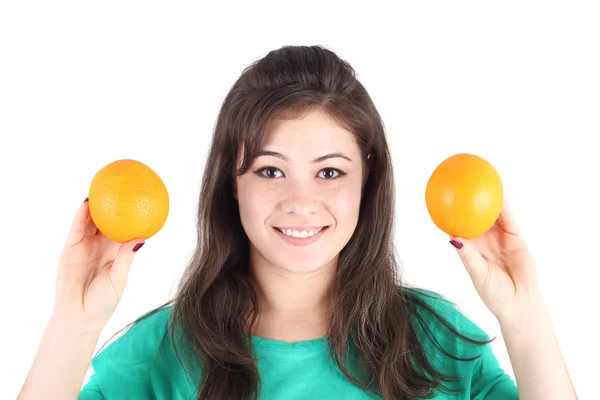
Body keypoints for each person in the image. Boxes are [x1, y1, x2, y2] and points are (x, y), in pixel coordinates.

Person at [18, 45, 576, 400]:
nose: (300, 201)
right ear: (229, 184)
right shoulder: (159, 354)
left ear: (368, 181)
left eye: (330, 172)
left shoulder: (435, 341)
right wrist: (75, 319)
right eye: (269, 170)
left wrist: (523, 313)